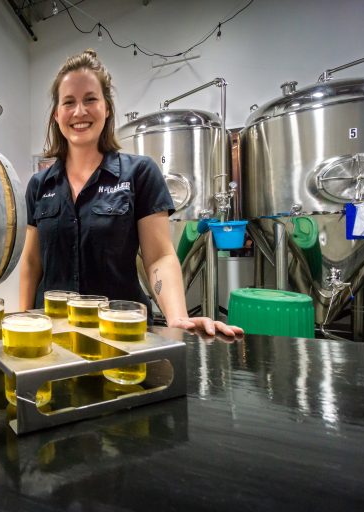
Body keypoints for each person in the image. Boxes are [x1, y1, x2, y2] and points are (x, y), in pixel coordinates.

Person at [19, 49, 242, 337]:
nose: (79, 111)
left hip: (122, 332)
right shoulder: (39, 185)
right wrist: (22, 321)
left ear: (107, 108)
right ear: (57, 114)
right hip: (53, 335)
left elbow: (159, 256)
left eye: (90, 99)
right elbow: (32, 263)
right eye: (69, 102)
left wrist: (177, 318)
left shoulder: (139, 173)